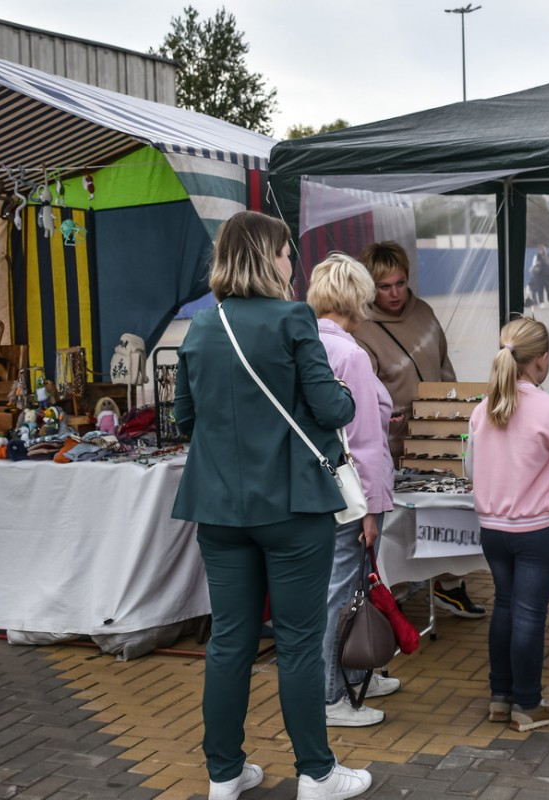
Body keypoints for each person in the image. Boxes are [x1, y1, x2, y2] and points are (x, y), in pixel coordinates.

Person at [172, 211, 372, 800]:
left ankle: (224, 774)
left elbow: (186, 420)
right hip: (291, 506)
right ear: (267, 257)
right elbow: (334, 409)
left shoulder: (202, 328)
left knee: (230, 640)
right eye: (287, 252)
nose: (293, 263)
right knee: (298, 640)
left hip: (218, 508)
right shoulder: (293, 318)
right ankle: (315, 772)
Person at [464, 317, 549, 732]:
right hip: (538, 529)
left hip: (492, 528)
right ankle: (528, 704)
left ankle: (500, 697)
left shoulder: (483, 409)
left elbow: (469, 467)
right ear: (543, 360)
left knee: (505, 604)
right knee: (529, 613)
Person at [354, 240, 485, 619]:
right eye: (385, 286)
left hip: (437, 435)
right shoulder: (362, 328)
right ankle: (387, 596)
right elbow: (366, 392)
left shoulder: (424, 312)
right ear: (369, 287)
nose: (395, 293)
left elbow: (444, 366)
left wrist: (455, 409)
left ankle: (450, 586)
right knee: (398, 524)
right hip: (392, 444)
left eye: (400, 282)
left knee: (447, 515)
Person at [306, 253, 400, 729]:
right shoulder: (351, 354)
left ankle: (353, 668)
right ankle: (329, 694)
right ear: (356, 297)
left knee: (342, 588)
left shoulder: (306, 346)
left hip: (319, 487)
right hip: (354, 492)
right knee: (342, 590)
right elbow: (362, 439)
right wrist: (370, 508)